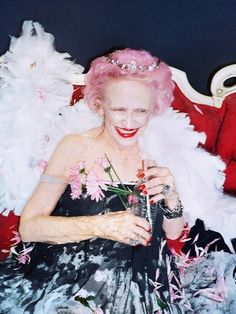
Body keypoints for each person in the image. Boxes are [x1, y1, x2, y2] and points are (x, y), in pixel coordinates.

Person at [0, 48, 235, 314]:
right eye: (119, 109)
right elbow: (30, 227)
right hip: (74, 280)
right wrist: (102, 225)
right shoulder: (75, 147)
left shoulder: (158, 151)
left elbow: (171, 233)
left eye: (140, 111)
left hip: (147, 284)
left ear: (153, 109)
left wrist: (172, 197)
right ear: (99, 104)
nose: (130, 121)